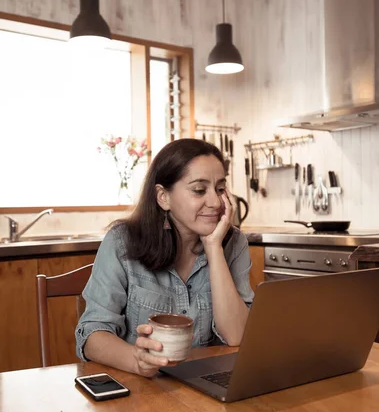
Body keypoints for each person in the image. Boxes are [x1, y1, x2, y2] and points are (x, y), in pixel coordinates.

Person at [75, 138, 254, 377]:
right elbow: (92, 333)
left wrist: (213, 247)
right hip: (140, 390)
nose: (215, 202)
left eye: (220, 189)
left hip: (206, 386)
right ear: (163, 197)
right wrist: (137, 361)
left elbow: (237, 336)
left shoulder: (233, 243)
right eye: (199, 190)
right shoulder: (122, 241)